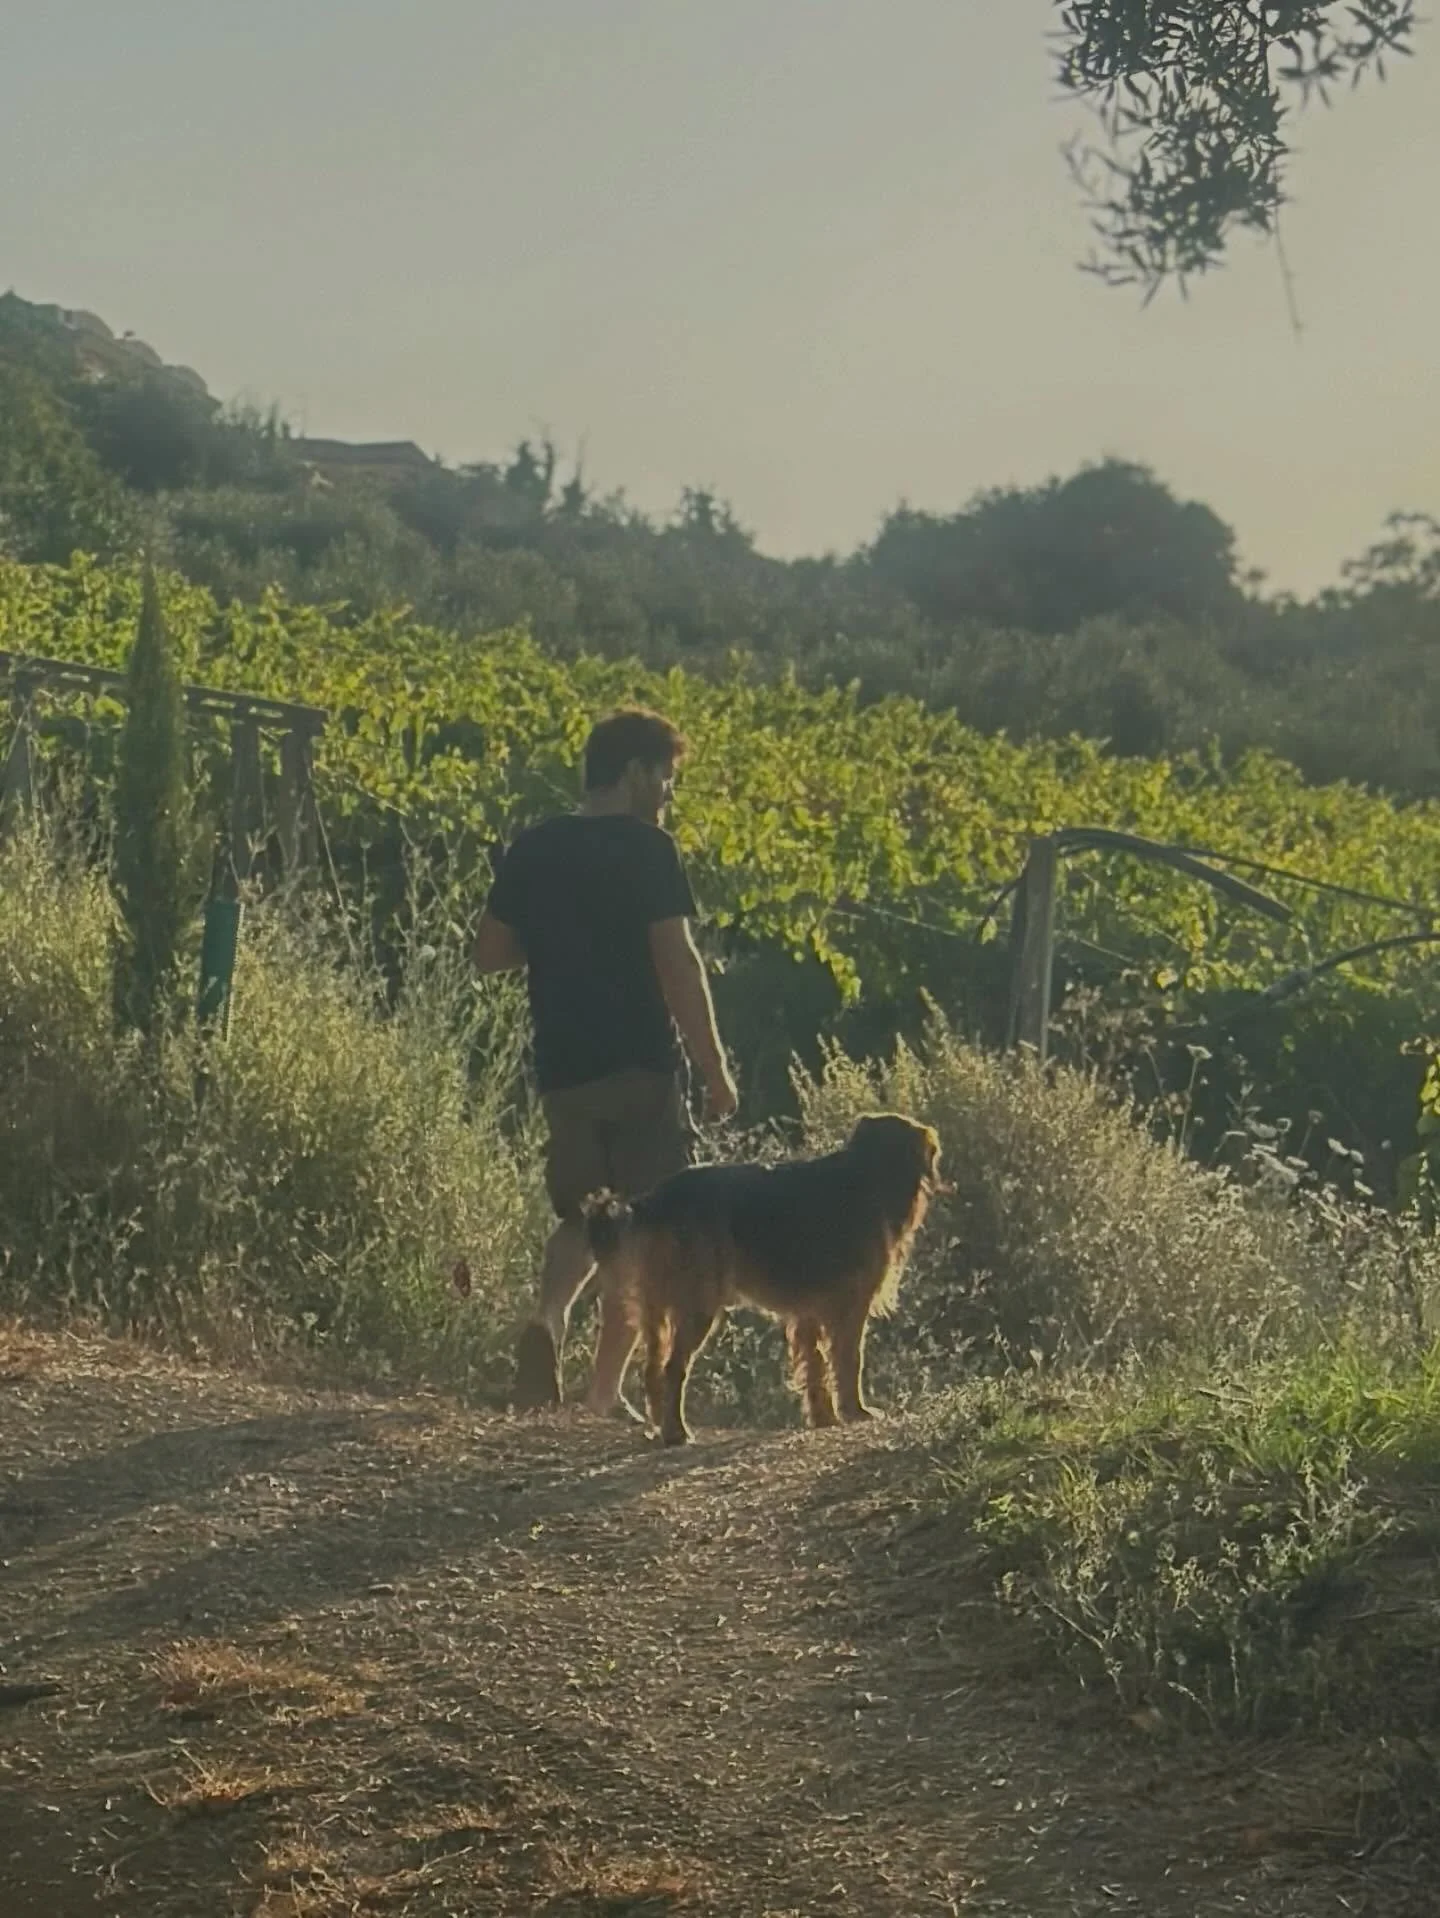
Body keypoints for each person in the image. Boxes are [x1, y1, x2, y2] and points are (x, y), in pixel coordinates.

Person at [471, 706, 739, 1416]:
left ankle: (548, 1318)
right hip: (640, 1064)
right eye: (665, 776)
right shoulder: (649, 851)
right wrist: (715, 1071)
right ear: (634, 772)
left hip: (564, 1067)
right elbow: (678, 965)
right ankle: (604, 1391)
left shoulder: (535, 847)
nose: (668, 792)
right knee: (642, 1228)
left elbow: (488, 953)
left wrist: (560, 947)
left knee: (580, 1216)